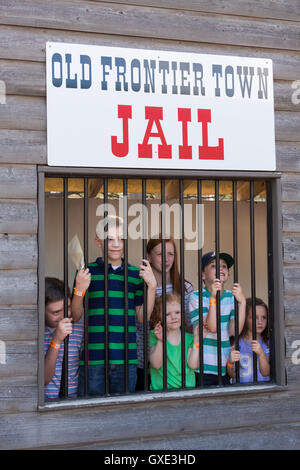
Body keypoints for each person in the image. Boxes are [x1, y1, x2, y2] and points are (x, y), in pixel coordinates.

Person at [72, 215, 157, 396]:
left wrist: (152, 287)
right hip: (93, 359)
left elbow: (143, 317)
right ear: (98, 241)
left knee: (124, 416)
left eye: (120, 238)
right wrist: (79, 290)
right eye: (110, 239)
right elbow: (76, 315)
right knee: (91, 412)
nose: (116, 244)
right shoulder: (86, 271)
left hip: (126, 359)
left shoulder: (135, 274)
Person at [135, 235, 194, 391]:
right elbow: (141, 320)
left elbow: (188, 326)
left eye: (171, 254)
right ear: (149, 256)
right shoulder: (140, 287)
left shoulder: (185, 289)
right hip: (145, 362)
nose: (167, 259)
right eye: (160, 254)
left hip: (177, 366)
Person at [188, 251, 246, 387]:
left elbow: (234, 330)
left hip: (224, 365)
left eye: (224, 266)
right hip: (202, 366)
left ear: (228, 274)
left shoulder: (230, 297)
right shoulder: (196, 297)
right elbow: (212, 328)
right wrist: (213, 298)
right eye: (214, 266)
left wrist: (242, 303)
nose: (220, 269)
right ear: (202, 275)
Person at [149, 293, 207, 391]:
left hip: (186, 391)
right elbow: (156, 364)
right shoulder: (155, 334)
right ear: (159, 317)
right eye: (167, 314)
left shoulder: (189, 338)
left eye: (177, 312)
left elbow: (193, 365)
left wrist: (196, 342)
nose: (174, 317)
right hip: (161, 391)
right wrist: (161, 341)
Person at [44, 277, 84, 399]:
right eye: (56, 312)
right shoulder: (36, 334)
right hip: (46, 402)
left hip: (75, 400)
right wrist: (56, 340)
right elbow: (44, 379)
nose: (63, 316)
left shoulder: (78, 329)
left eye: (67, 308)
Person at [227, 297, 270, 383]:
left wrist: (261, 354)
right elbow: (231, 374)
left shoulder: (268, 343)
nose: (260, 322)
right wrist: (230, 362)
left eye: (264, 317)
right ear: (244, 319)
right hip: (242, 392)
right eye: (255, 317)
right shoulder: (235, 343)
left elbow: (266, 373)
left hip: (263, 391)